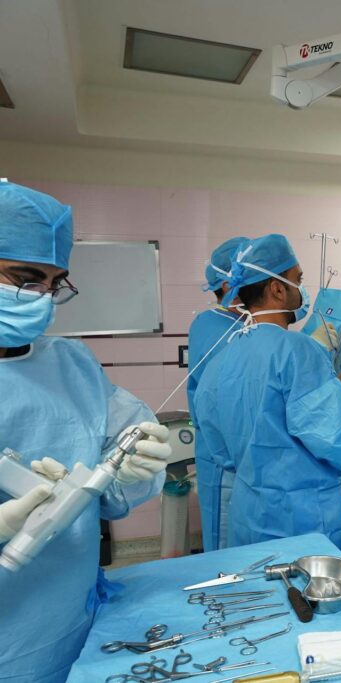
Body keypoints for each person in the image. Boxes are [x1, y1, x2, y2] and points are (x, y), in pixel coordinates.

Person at [0, 181, 172, 683]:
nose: (42, 298)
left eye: (54, 284)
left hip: (72, 620)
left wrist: (133, 468)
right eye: (25, 278)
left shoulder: (70, 363)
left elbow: (115, 472)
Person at [193, 234, 341, 559]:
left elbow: (219, 446)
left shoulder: (223, 357)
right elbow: (337, 439)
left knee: (260, 586)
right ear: (277, 289)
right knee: (309, 590)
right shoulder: (296, 351)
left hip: (249, 515)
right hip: (301, 520)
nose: (300, 290)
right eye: (298, 279)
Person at [187, 236, 251, 551]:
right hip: (225, 461)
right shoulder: (216, 328)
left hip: (243, 459)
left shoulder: (243, 325)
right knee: (226, 549)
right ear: (228, 286)